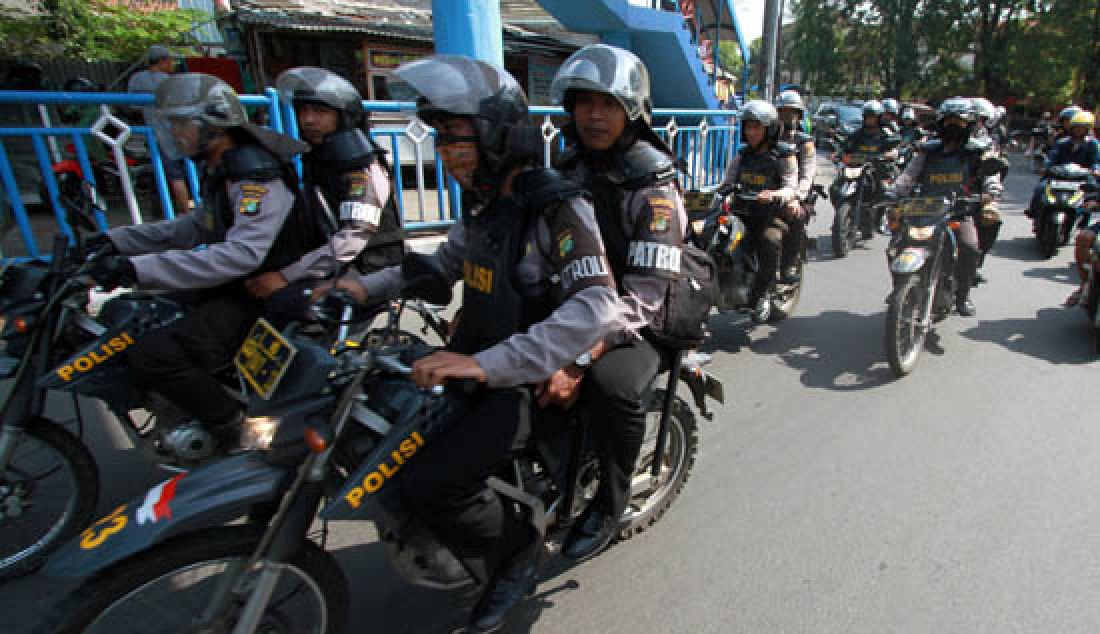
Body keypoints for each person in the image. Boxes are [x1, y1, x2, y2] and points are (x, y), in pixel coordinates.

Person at [330, 56, 624, 631]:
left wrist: (484, 364)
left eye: (456, 137)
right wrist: (355, 286)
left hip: (519, 378)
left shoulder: (558, 207)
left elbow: (596, 306)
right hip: (473, 362)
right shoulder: (486, 203)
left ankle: (514, 556)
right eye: (439, 138)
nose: (445, 151)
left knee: (434, 481)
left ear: (496, 135)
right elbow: (441, 265)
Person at [85, 73, 323, 442]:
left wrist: (137, 269)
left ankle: (237, 433)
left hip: (263, 292)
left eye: (182, 123)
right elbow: (193, 229)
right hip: (236, 284)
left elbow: (242, 255)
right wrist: (114, 242)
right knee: (139, 318)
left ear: (213, 124)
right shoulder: (222, 168)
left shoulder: (254, 174)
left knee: (156, 354)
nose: (177, 133)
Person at [544, 43, 685, 562]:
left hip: (638, 319)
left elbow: (646, 297)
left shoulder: (654, 185)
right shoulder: (567, 168)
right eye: (584, 103)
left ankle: (609, 502)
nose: (594, 115)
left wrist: (583, 355)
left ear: (631, 111)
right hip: (578, 302)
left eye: (607, 104)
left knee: (611, 386)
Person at [243, 67, 403, 311]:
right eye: (304, 111)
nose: (309, 120)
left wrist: (286, 276)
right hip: (329, 265)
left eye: (320, 111)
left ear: (344, 116)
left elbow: (352, 237)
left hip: (365, 270)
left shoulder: (360, 165)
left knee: (284, 308)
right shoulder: (319, 158)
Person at [891, 97, 1001, 316]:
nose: (952, 126)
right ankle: (900, 287)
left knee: (969, 246)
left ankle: (962, 296)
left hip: (959, 212)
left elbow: (992, 178)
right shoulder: (928, 150)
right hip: (924, 210)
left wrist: (990, 194)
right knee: (896, 244)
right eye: (948, 120)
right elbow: (908, 175)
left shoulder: (979, 150)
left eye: (958, 121)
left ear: (968, 124)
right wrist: (894, 192)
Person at [716, 100, 798, 322]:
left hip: (771, 215)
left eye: (757, 127)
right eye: (748, 127)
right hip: (742, 212)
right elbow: (727, 183)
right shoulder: (742, 156)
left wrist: (774, 195)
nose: (751, 132)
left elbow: (791, 186)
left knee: (770, 241)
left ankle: (762, 293)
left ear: (769, 129)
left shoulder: (784, 156)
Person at [127, 45, 191, 215]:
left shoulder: (137, 80)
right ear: (163, 61)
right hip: (178, 133)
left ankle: (182, 211)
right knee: (181, 175)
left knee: (172, 175)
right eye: (170, 60)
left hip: (156, 135)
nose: (172, 64)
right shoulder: (169, 82)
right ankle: (187, 212)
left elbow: (133, 105)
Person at [838, 99, 899, 237]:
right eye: (868, 117)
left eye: (873, 117)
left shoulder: (886, 133)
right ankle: (843, 216)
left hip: (878, 169)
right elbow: (846, 146)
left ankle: (880, 221)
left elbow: (894, 148)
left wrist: (888, 154)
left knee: (885, 191)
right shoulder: (858, 133)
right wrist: (839, 154)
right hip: (858, 167)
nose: (870, 120)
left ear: (878, 118)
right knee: (835, 187)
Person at [1026, 110, 1100, 224]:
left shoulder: (1093, 144)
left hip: (1082, 176)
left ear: (1088, 129)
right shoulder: (1062, 142)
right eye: (1076, 127)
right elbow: (1052, 157)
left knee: (1091, 191)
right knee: (1041, 188)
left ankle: (1083, 220)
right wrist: (1046, 167)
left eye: (1082, 128)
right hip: (1059, 174)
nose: (1078, 130)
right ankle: (1034, 211)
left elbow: (1096, 160)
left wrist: (1095, 169)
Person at [775, 89, 815, 283]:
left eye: (790, 112)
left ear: (798, 115)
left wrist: (797, 196)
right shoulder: (769, 137)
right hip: (769, 190)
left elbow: (807, 173)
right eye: (781, 112)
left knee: (795, 215)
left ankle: (789, 264)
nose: (785, 116)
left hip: (796, 193)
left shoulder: (804, 142)